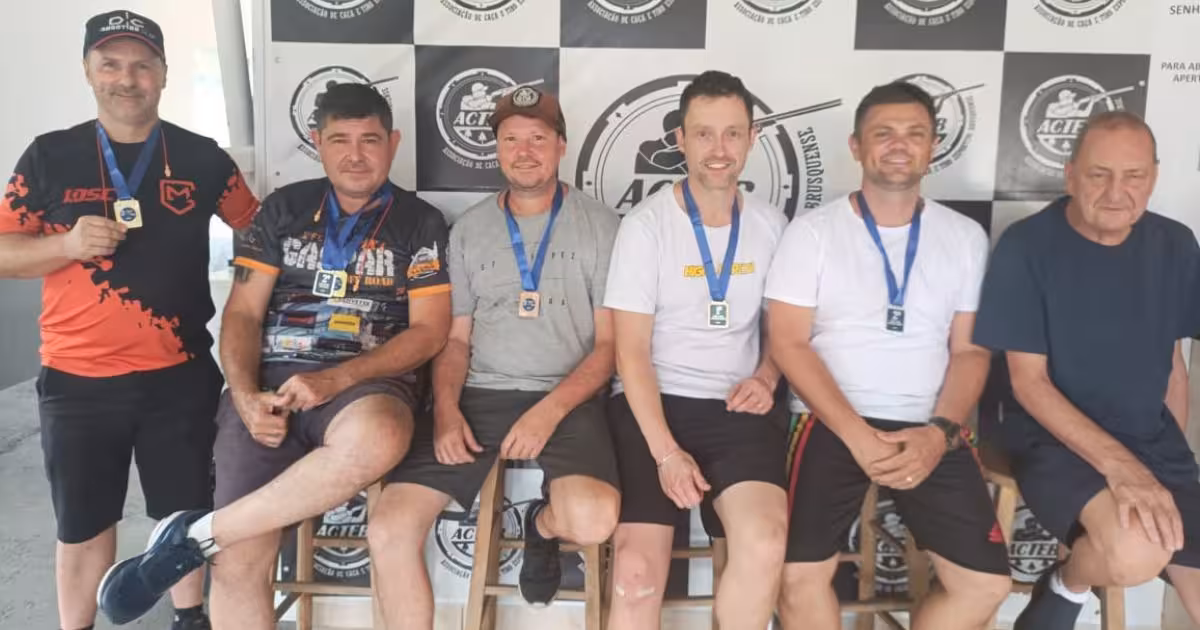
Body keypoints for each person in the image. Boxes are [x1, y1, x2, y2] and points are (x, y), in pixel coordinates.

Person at [95, 83, 452, 629]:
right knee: (238, 564)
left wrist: (336, 379)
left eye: (370, 140)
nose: (356, 155)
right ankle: (217, 538)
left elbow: (429, 332)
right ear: (317, 142)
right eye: (340, 140)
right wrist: (244, 395)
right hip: (270, 385)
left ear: (394, 143)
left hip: (364, 385)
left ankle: (198, 535)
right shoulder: (283, 209)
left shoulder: (420, 220)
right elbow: (241, 314)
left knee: (378, 436)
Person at [0, 10, 258, 630]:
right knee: (83, 523)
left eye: (142, 65)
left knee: (185, 515)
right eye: (111, 64)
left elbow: (258, 233)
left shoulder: (203, 158)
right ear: (88, 71)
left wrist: (254, 301)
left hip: (180, 375)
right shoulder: (49, 155)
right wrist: (65, 245)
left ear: (163, 74)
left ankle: (189, 618)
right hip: (78, 379)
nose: (127, 78)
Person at [366, 86, 621, 627]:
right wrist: (446, 410)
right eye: (511, 140)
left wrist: (547, 413)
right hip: (480, 394)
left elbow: (608, 348)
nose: (524, 151)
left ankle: (541, 526)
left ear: (561, 146)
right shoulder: (469, 229)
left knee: (593, 521)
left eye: (538, 139)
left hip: (567, 397)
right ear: (497, 149)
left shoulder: (603, 226)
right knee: (389, 527)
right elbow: (455, 341)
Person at [766, 81, 1012, 630]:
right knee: (796, 579)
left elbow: (970, 351)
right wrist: (856, 433)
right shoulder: (812, 233)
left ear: (933, 146)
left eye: (914, 133)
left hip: (929, 424)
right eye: (884, 133)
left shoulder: (964, 237)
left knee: (987, 585)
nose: (899, 145)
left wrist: (938, 434)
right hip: (829, 422)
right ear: (856, 146)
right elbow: (788, 343)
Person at [974, 110, 1200, 628]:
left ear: (1153, 178)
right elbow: (1029, 384)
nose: (1116, 192)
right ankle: (1067, 584)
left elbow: (1172, 364)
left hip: (1151, 442)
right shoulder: (1027, 245)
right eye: (1099, 175)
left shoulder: (1176, 243)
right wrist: (1125, 470)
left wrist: (1175, 471)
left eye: (1134, 176)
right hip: (1051, 441)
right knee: (1136, 552)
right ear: (1071, 175)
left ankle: (1064, 586)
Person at [603, 70, 789, 630]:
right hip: (652, 405)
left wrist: (767, 377)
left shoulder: (773, 225)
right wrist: (666, 454)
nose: (719, 149)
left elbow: (786, 333)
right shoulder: (646, 227)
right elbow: (630, 352)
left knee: (764, 541)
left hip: (738, 407)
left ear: (752, 138)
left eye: (732, 133)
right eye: (704, 134)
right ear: (680, 140)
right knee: (635, 574)